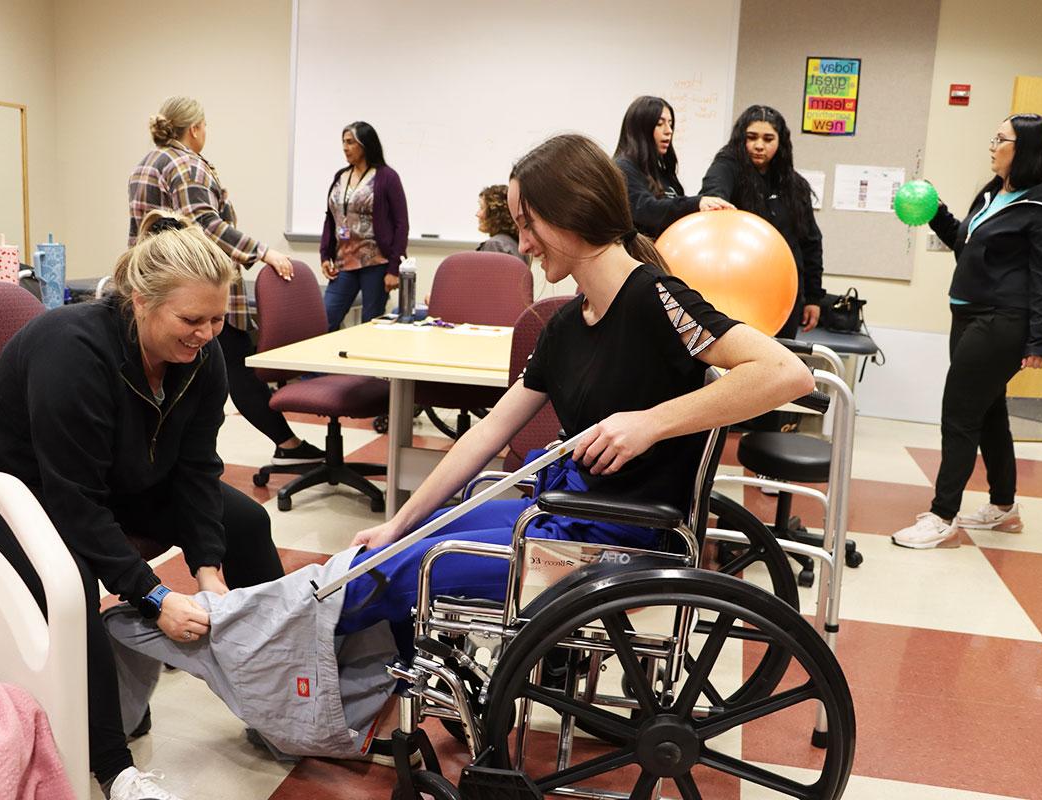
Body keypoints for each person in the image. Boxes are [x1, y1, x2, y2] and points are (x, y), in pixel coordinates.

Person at [334, 135, 814, 739]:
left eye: (526, 223)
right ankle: (347, 683)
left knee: (403, 573)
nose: (524, 243)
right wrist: (400, 519)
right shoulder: (567, 321)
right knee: (389, 551)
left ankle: (312, 688)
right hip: (562, 515)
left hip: (616, 542)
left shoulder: (657, 300)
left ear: (570, 212)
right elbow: (487, 434)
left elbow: (786, 373)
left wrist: (649, 422)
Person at [0, 213, 287, 800]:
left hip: (114, 476)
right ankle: (112, 767)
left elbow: (196, 468)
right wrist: (152, 594)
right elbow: (73, 498)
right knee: (73, 581)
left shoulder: (202, 356)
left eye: (217, 319)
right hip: (11, 491)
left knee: (246, 521)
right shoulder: (73, 350)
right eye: (191, 320)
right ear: (140, 302)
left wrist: (207, 564)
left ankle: (278, 702)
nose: (207, 334)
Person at [892, 114, 1042, 549]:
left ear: (1025, 148)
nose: (992, 145)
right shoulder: (995, 192)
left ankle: (942, 516)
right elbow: (965, 244)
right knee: (990, 412)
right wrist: (936, 213)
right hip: (968, 315)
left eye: (1001, 138)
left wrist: (1041, 339)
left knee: (959, 412)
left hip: (1003, 319)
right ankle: (1004, 506)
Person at [128, 96, 323, 466]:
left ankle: (170, 456)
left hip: (156, 285)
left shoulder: (146, 163)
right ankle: (277, 445)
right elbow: (206, 224)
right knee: (230, 371)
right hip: (192, 285)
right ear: (196, 128)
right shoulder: (186, 164)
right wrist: (265, 252)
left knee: (172, 376)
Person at [700, 105, 824, 337]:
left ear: (780, 142)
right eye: (752, 137)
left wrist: (814, 297)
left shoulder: (795, 186)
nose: (759, 145)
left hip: (784, 295)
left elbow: (811, 243)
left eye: (768, 139)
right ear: (741, 138)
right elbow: (714, 193)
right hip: (737, 292)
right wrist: (715, 199)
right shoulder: (727, 166)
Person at [320, 121, 410, 329]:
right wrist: (325, 255)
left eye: (350, 142)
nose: (345, 147)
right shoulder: (341, 176)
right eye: (343, 142)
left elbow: (401, 223)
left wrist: (394, 268)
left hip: (376, 264)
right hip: (344, 263)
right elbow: (330, 217)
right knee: (325, 319)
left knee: (370, 325)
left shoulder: (386, 177)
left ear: (365, 144)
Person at [613, 95, 732, 240]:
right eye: (660, 124)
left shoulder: (662, 171)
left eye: (670, 124)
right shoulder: (622, 169)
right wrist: (696, 203)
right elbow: (646, 209)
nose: (668, 130)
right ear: (641, 129)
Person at [475, 183, 527, 262]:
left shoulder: (495, 245)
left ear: (495, 213)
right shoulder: (516, 244)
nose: (477, 214)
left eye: (482, 208)